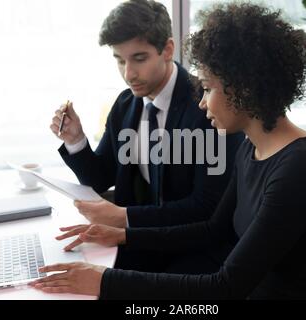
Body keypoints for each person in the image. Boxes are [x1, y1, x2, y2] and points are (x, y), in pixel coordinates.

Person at [33, 2, 306, 299]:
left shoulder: (302, 168)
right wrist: (122, 236)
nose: (202, 101)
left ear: (245, 87)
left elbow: (225, 288)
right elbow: (212, 229)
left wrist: (104, 280)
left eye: (209, 87)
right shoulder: (251, 148)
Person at [49, 0, 243, 273]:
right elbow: (101, 178)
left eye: (139, 59)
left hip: (197, 251)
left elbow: (207, 207)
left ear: (167, 49)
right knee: (65, 269)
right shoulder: (126, 104)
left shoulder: (208, 107)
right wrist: (75, 140)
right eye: (119, 60)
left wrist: (124, 217)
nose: (128, 74)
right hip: (141, 241)